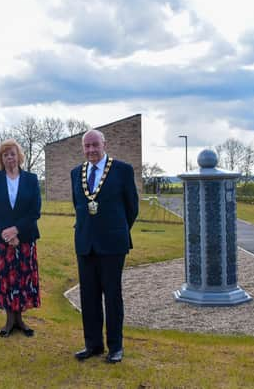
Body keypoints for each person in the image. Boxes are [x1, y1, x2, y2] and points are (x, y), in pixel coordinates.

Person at [71, 129, 139, 363]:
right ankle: (93, 345)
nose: (90, 150)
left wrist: (116, 230)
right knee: (88, 296)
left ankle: (115, 347)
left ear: (104, 144)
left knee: (112, 296)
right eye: (86, 146)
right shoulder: (75, 173)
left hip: (112, 245)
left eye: (94, 145)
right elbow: (78, 206)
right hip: (85, 244)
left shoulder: (122, 170)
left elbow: (132, 208)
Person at [0, 139, 41, 337]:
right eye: (5, 154)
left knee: (22, 280)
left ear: (19, 156)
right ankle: (9, 320)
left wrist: (17, 231)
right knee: (5, 279)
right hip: (0, 240)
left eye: (13, 153)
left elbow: (35, 211)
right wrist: (6, 233)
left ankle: (20, 320)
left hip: (25, 239)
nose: (10, 157)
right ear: (1, 158)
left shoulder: (32, 179)